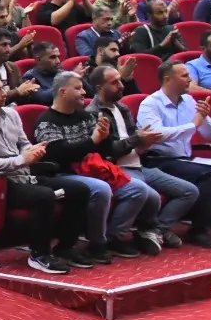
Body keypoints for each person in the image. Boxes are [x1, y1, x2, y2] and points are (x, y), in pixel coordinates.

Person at [0, 71, 92, 274]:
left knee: (79, 189)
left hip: (24, 176)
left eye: (3, 87)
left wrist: (33, 151)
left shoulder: (11, 114)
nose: (4, 93)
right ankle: (39, 254)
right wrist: (21, 160)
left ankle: (65, 247)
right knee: (44, 196)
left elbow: (23, 143)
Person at [34, 71, 163, 261]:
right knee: (101, 189)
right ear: (62, 92)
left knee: (138, 189)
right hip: (63, 173)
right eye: (77, 88)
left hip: (94, 169)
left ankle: (114, 236)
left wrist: (104, 137)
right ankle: (97, 243)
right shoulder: (46, 120)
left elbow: (106, 151)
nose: (83, 93)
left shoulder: (85, 117)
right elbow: (57, 154)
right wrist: (93, 140)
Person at [137, 59, 211, 248]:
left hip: (185, 158)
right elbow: (156, 135)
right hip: (159, 160)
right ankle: (200, 229)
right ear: (168, 80)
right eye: (184, 76)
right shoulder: (150, 104)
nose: (189, 80)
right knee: (209, 174)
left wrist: (205, 117)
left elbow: (209, 134)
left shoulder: (189, 100)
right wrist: (194, 124)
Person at [89, 64, 201, 246]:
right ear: (100, 88)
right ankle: (113, 239)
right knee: (149, 195)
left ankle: (155, 231)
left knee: (189, 191)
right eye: (114, 82)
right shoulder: (93, 113)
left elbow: (135, 142)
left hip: (139, 164)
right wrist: (137, 139)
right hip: (116, 168)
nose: (121, 85)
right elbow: (107, 151)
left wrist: (145, 142)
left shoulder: (123, 109)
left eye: (120, 80)